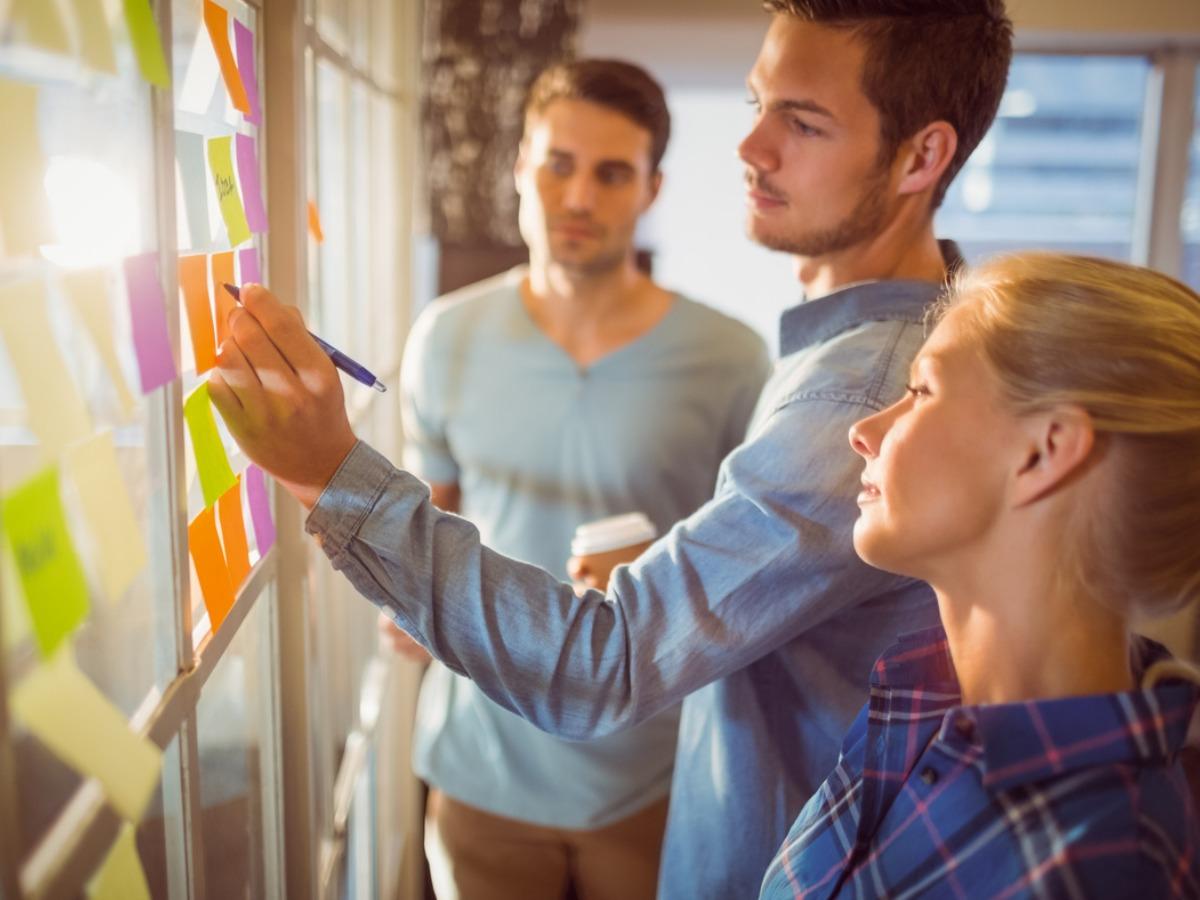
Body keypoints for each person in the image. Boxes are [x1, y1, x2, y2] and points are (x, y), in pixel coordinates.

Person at [207, 1, 1014, 894]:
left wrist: (330, 472)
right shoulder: (841, 359)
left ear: (923, 157)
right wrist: (669, 568)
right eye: (758, 106)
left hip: (683, 807)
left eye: (804, 121)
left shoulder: (855, 395)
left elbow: (612, 664)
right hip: (499, 762)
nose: (751, 149)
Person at [387, 59, 769, 900]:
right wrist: (404, 609)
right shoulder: (445, 338)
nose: (578, 197)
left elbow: (756, 570)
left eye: (611, 173)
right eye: (557, 164)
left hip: (654, 772)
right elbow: (431, 521)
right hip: (483, 764)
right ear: (520, 166)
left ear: (652, 188)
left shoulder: (732, 359)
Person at [760, 253, 1200, 898]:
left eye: (921, 391)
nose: (863, 430)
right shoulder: (918, 698)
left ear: (1043, 451)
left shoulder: (1105, 867)